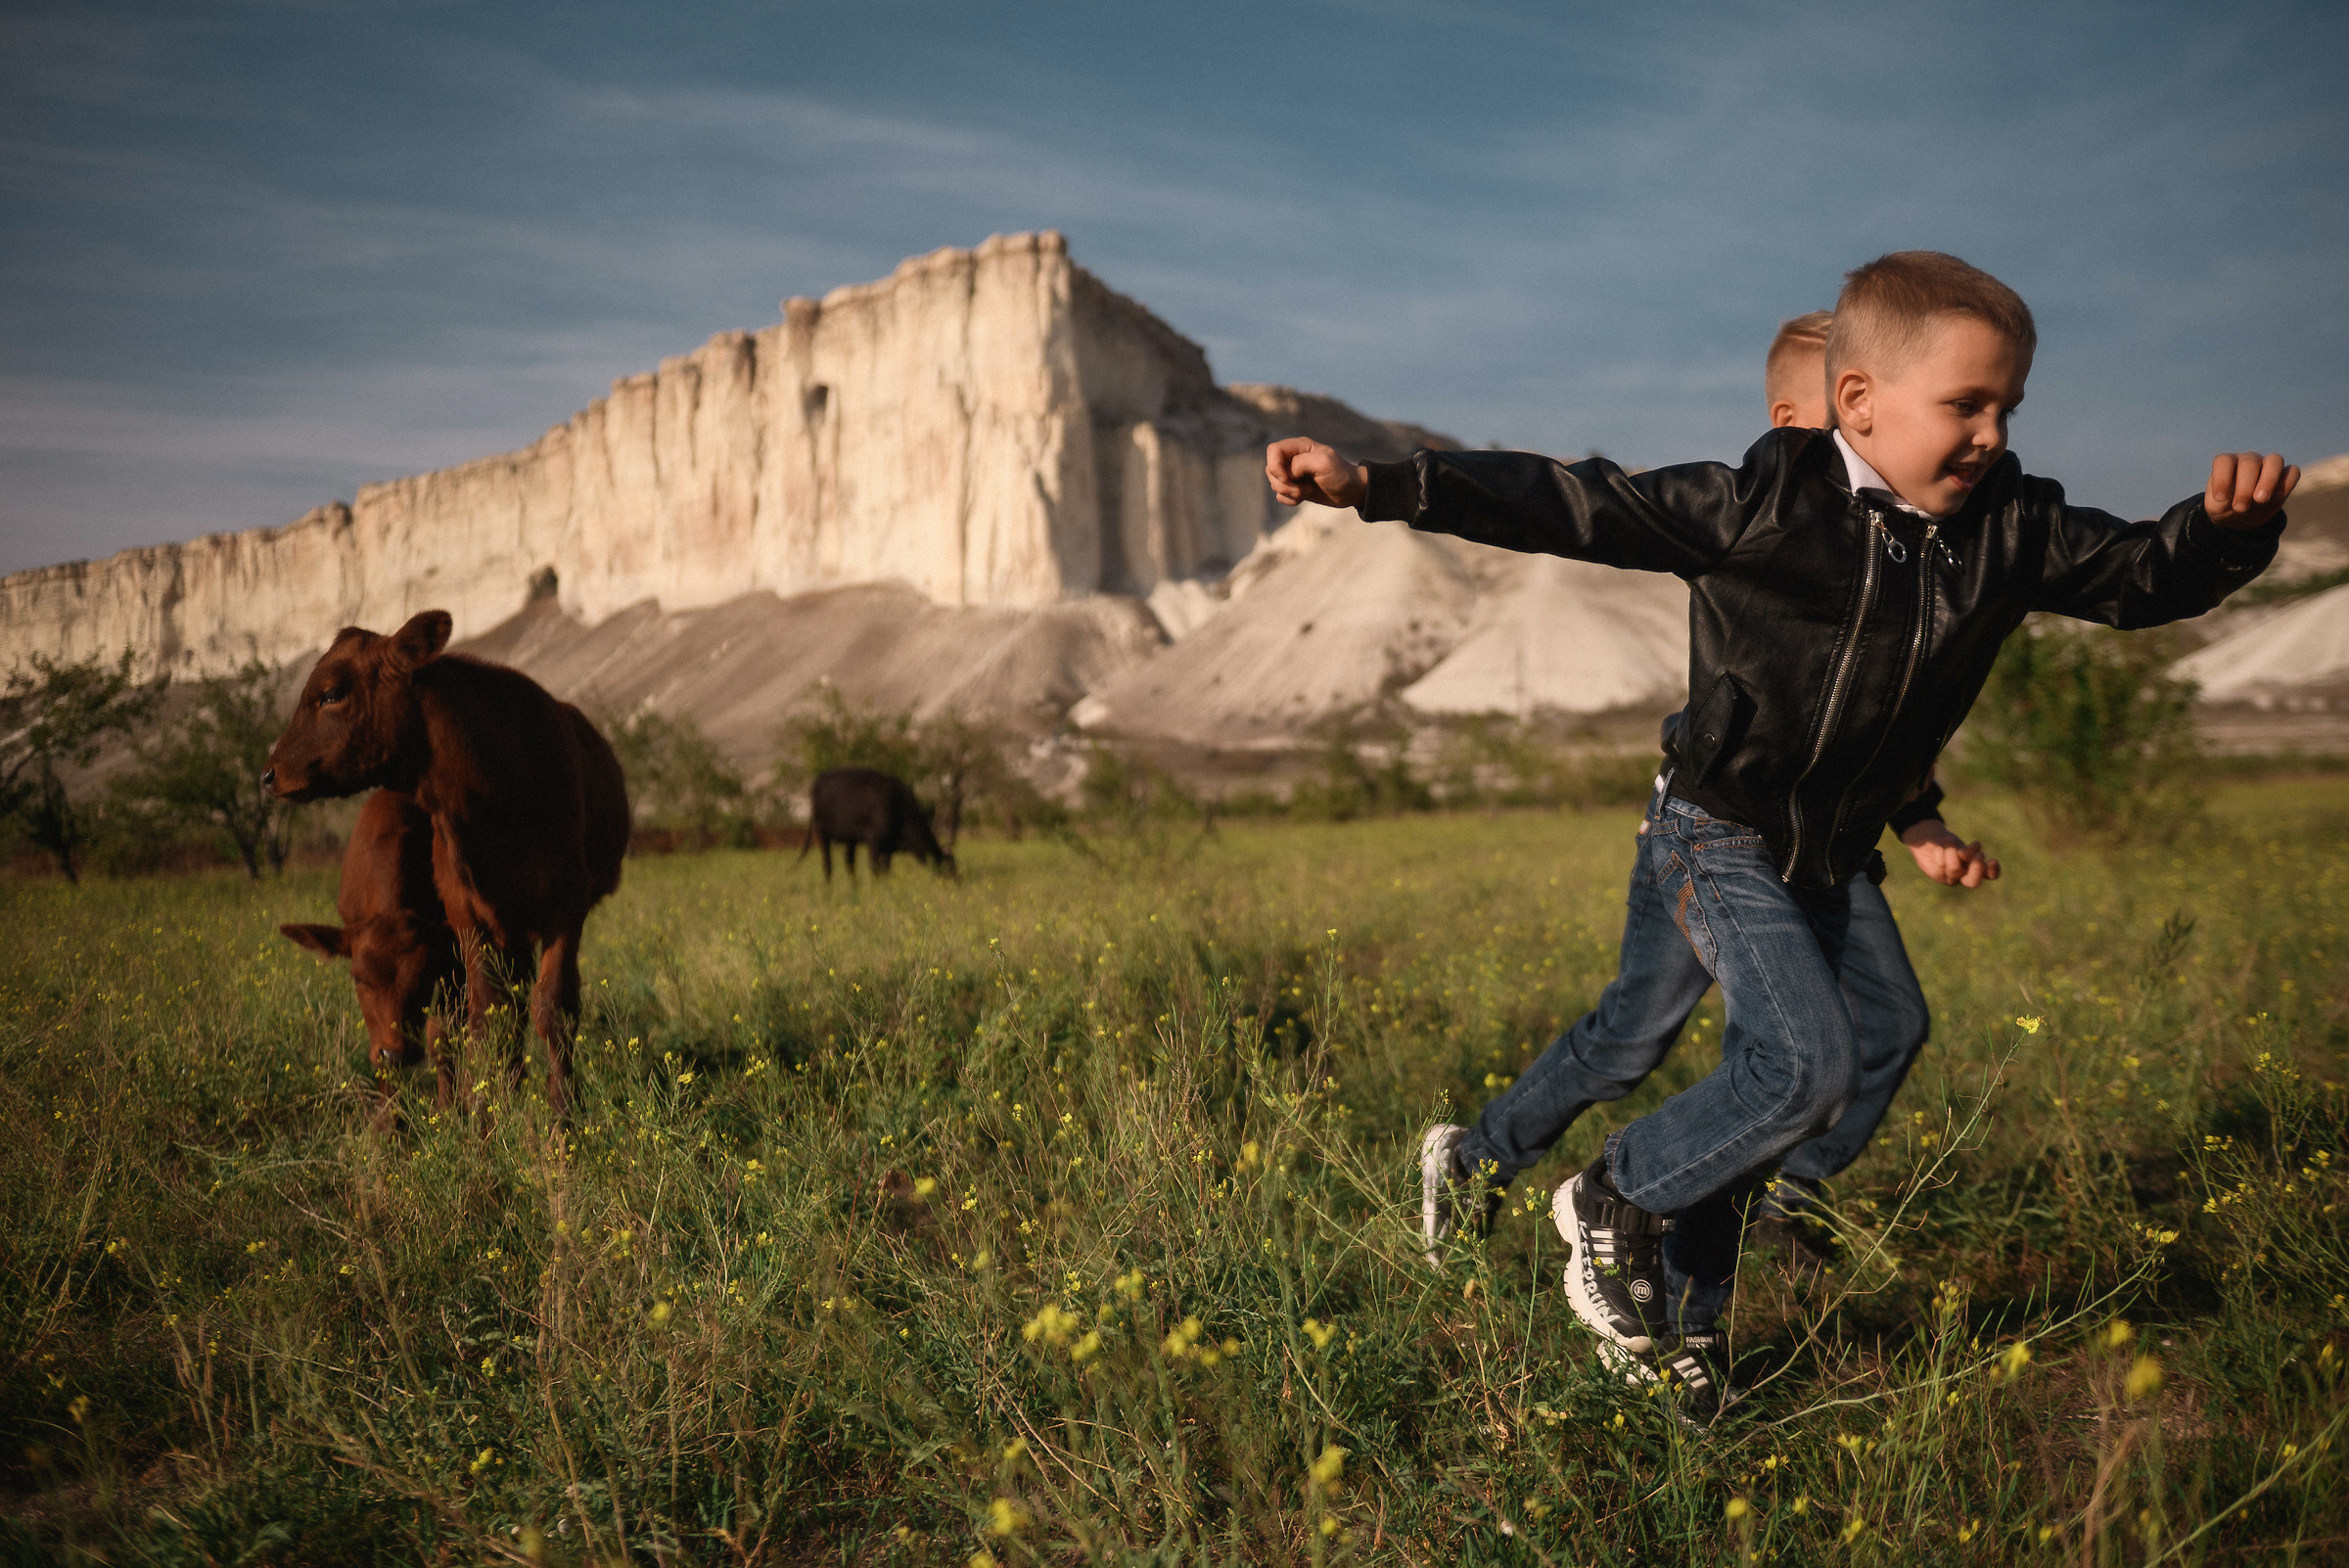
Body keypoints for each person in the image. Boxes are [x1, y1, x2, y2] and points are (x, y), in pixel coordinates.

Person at [1266, 252, 2296, 1422]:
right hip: (1719, 831)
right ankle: (1606, 1198)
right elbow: (1576, 502)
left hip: (1829, 854)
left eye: (2010, 408)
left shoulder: (2013, 526)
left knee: (1816, 1067)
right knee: (1764, 1058)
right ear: (1859, 403)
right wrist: (1383, 482)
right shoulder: (1763, 501)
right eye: (1967, 404)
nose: (1993, 434)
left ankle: (1684, 1330)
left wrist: (2223, 537)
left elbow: (2134, 579)